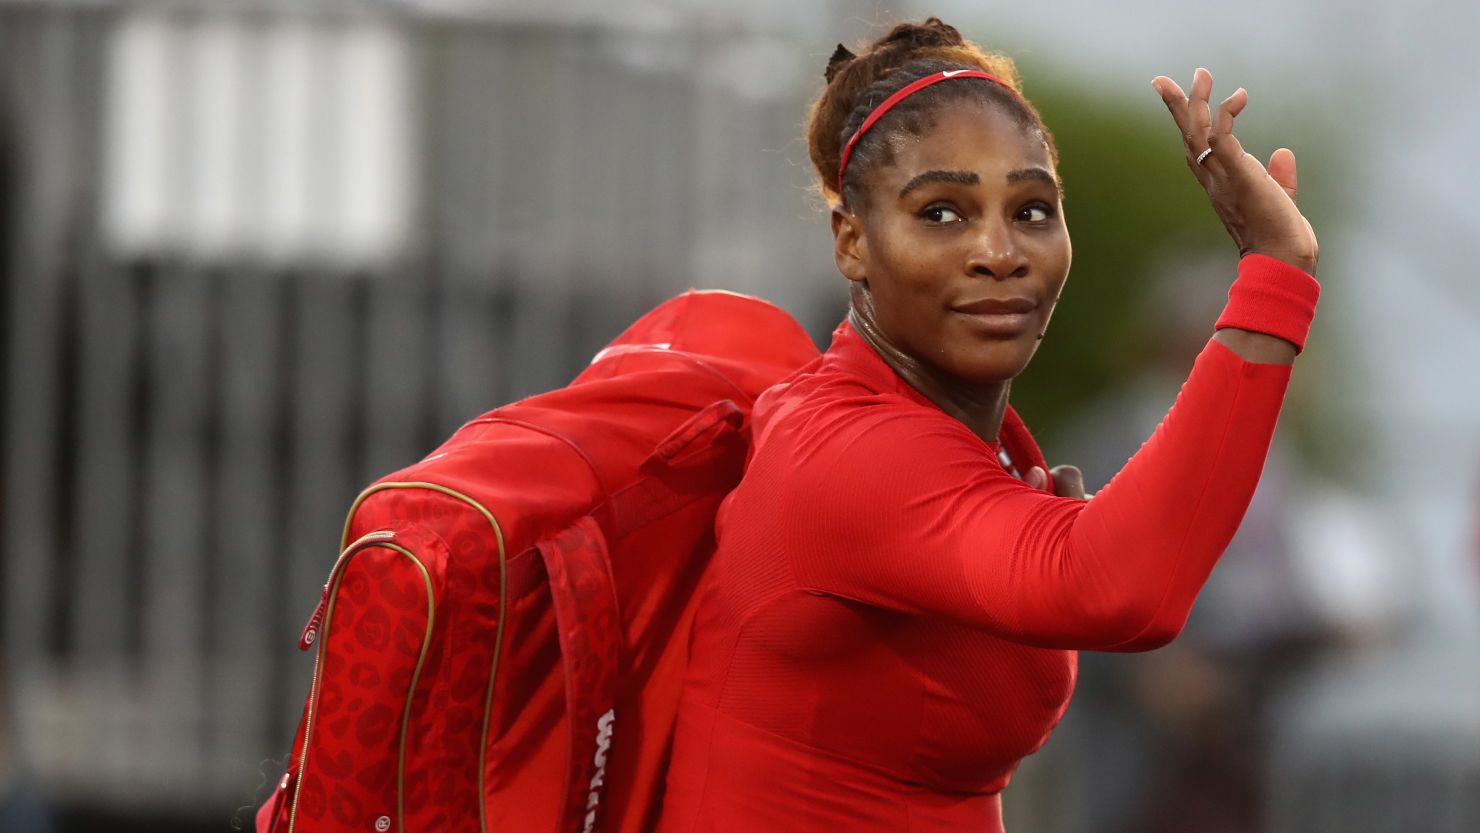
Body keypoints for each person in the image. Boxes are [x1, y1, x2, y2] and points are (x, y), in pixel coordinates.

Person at [654, 16, 1320, 833]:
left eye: (1033, 209)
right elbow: (1122, 590)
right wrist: (1275, 275)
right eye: (942, 213)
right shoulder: (849, 450)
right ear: (852, 241)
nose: (999, 251)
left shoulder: (976, 447)